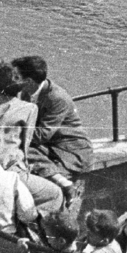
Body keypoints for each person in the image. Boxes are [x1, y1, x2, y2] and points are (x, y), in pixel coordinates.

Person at [0, 62, 64, 213]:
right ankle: (33, 230)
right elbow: (25, 147)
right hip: (11, 172)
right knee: (55, 194)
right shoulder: (29, 109)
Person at [12, 55, 94, 202]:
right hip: (49, 146)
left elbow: (42, 134)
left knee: (22, 149)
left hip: (70, 150)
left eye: (17, 77)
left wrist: (11, 132)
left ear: (29, 81)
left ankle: (63, 185)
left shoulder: (57, 98)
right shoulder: (25, 93)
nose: (13, 80)